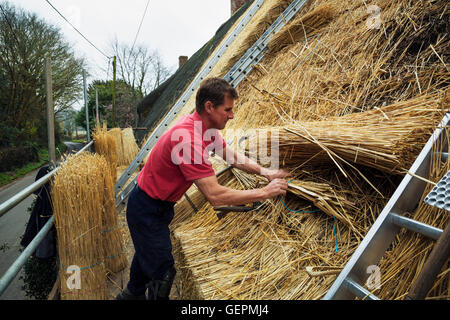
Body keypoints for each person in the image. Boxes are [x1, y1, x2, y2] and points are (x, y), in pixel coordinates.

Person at [116, 78, 289, 300]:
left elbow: (232, 156)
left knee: (146, 255)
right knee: (163, 270)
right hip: (146, 209)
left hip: (158, 207)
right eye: (227, 109)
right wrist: (265, 192)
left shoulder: (204, 129)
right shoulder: (188, 140)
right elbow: (215, 195)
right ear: (209, 107)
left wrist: (265, 173)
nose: (232, 115)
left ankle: (130, 295)